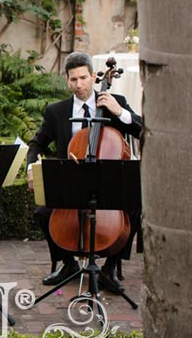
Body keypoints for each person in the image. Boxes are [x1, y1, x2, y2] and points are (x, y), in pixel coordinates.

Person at [26, 52, 142, 292]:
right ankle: (67, 264)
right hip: (72, 182)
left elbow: (143, 130)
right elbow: (37, 143)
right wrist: (31, 168)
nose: (79, 85)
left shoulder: (114, 100)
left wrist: (119, 112)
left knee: (134, 207)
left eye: (83, 78)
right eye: (73, 80)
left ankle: (110, 267)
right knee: (43, 211)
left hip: (108, 182)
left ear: (93, 76)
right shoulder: (56, 111)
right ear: (67, 80)